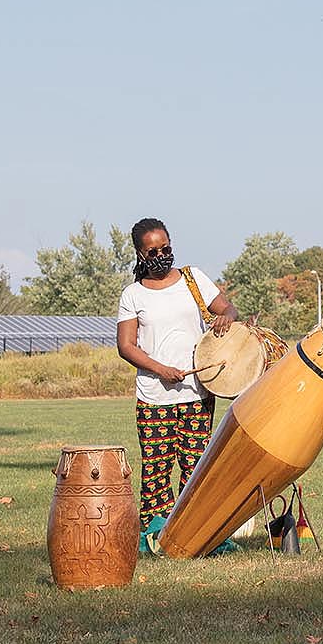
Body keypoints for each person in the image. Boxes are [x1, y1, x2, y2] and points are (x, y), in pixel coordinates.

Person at [116, 218, 238, 552]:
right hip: (154, 397)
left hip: (198, 393)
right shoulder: (133, 294)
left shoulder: (193, 279)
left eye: (166, 248)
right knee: (156, 470)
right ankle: (156, 537)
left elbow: (226, 306)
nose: (161, 255)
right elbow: (126, 346)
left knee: (196, 466)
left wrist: (227, 315)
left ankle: (199, 534)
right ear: (140, 254)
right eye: (152, 251)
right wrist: (160, 369)